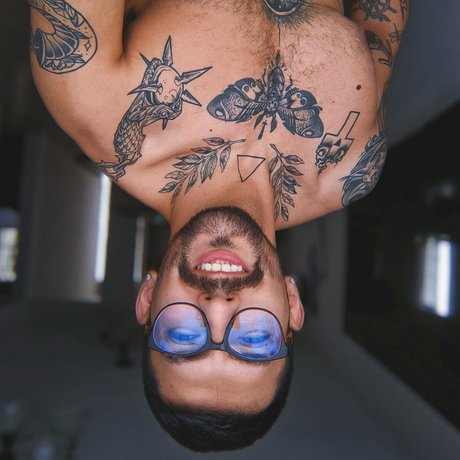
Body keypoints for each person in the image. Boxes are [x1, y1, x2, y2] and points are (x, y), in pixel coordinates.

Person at [27, 0, 410, 452]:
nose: (218, 305)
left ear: (147, 300)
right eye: (254, 340)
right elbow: (384, 17)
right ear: (292, 306)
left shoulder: (93, 103)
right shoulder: (352, 164)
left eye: (182, 336)